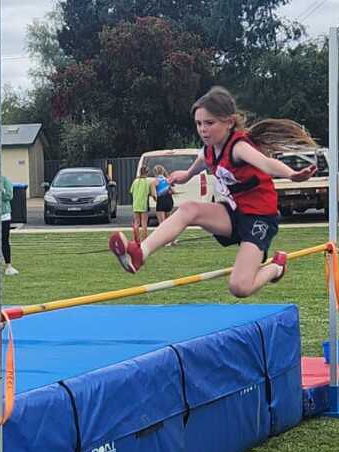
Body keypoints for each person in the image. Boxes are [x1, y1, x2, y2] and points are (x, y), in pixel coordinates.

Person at [107, 86, 316, 300]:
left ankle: (276, 268)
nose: (203, 130)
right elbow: (197, 166)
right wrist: (184, 176)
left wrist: (292, 175)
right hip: (233, 214)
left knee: (239, 287)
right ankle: (140, 253)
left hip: (259, 219)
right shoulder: (208, 150)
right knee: (189, 209)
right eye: (198, 124)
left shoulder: (238, 147)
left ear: (229, 122)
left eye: (209, 123)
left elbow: (266, 163)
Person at [129, 171, 153, 243]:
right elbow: (149, 192)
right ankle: (144, 239)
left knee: (136, 223)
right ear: (147, 173)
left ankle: (136, 239)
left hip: (136, 204)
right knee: (144, 223)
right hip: (143, 204)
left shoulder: (135, 181)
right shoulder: (147, 182)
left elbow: (131, 191)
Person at [152, 164, 174, 229]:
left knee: (161, 224)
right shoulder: (167, 180)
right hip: (169, 200)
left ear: (155, 172)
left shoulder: (155, 181)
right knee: (168, 222)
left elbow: (153, 194)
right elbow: (172, 191)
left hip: (161, 200)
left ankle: (163, 235)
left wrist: (156, 200)